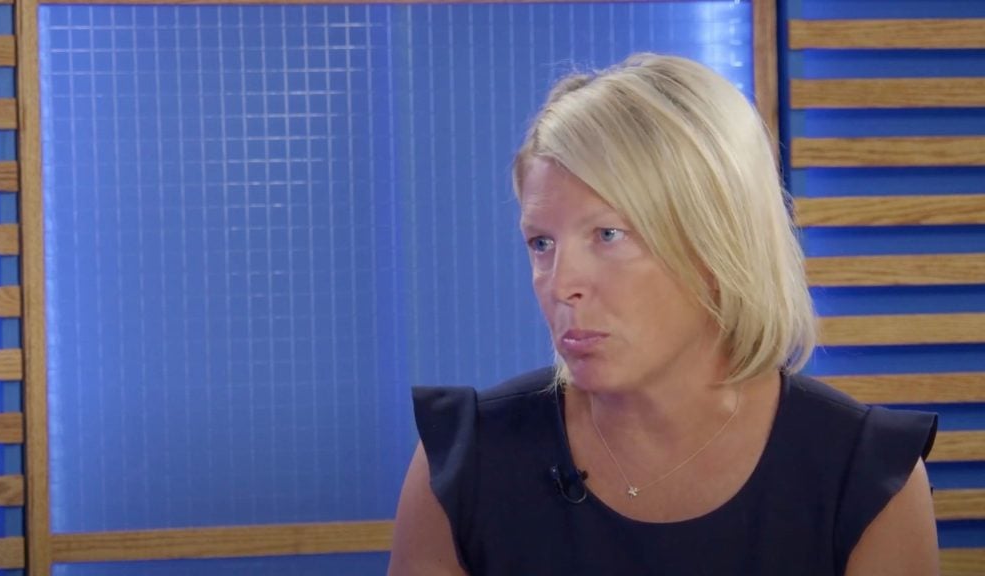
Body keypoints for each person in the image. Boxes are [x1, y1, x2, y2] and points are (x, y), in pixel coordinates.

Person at [387, 53, 939, 575]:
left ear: (718, 245)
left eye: (608, 234)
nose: (561, 285)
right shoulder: (463, 462)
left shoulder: (865, 477)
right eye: (541, 243)